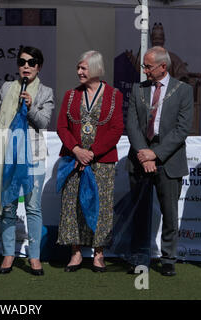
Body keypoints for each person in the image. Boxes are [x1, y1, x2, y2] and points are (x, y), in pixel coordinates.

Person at [0, 46, 54, 276]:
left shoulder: (46, 92)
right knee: (8, 206)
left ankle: (34, 257)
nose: (26, 66)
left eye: (31, 62)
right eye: (22, 62)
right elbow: (8, 119)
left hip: (34, 156)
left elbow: (43, 122)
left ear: (38, 67)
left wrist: (30, 107)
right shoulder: (8, 87)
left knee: (33, 207)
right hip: (8, 153)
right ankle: (8, 254)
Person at [126, 46, 193, 276]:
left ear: (163, 67)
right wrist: (144, 153)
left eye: (148, 66)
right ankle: (138, 256)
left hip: (169, 159)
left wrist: (157, 154)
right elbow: (132, 125)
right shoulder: (138, 89)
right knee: (139, 211)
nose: (144, 70)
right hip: (140, 159)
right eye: (144, 65)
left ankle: (168, 259)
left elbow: (182, 128)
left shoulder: (183, 90)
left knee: (170, 213)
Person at [56, 50, 124, 273]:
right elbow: (62, 127)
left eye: (83, 68)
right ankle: (75, 253)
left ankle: (99, 254)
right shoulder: (71, 95)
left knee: (101, 206)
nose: (79, 72)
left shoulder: (114, 95)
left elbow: (116, 129)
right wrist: (76, 150)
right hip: (73, 160)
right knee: (73, 205)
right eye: (78, 68)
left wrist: (91, 153)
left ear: (95, 69)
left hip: (101, 162)